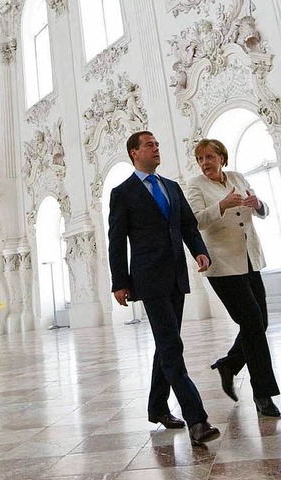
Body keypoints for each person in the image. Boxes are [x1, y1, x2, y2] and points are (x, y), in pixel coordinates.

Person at [108, 130, 220, 446]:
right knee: (172, 345)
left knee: (167, 342)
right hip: (148, 278)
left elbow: (187, 225)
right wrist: (120, 282)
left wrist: (200, 249)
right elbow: (116, 240)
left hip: (176, 277)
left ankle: (157, 407)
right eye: (149, 145)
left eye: (157, 144)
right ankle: (198, 420)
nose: (156, 148)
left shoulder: (171, 187)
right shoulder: (123, 192)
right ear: (134, 153)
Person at [187, 138, 281, 417]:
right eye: (201, 158)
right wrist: (223, 205)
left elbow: (261, 211)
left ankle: (229, 365)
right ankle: (263, 394)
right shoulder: (195, 185)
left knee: (259, 322)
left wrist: (258, 203)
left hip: (250, 258)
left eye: (210, 157)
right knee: (251, 322)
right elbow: (194, 221)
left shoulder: (238, 177)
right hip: (223, 265)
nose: (205, 163)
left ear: (221, 158)